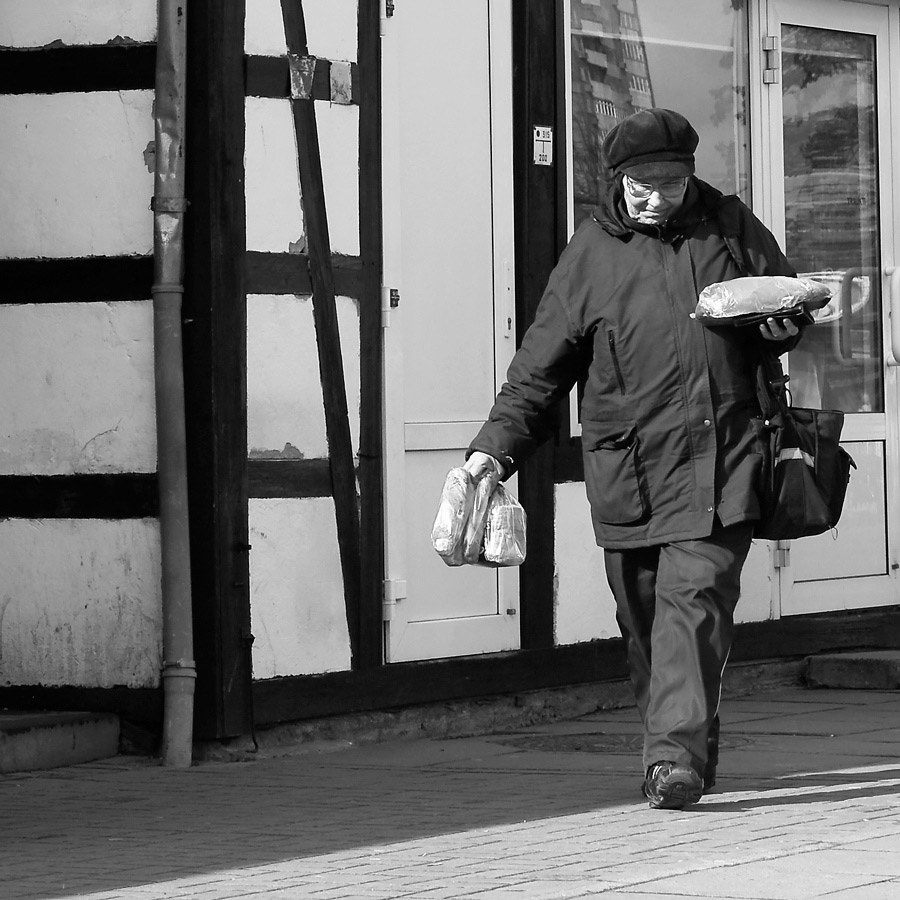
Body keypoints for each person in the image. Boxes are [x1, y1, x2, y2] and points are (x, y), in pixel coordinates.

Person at [464, 108, 803, 810]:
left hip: (724, 457)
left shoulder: (730, 226)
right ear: (617, 179)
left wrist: (782, 329)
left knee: (694, 602)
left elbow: (786, 302)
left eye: (670, 184)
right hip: (631, 470)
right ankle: (681, 752)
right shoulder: (590, 254)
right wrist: (492, 453)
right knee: (647, 623)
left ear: (691, 175)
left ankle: (672, 759)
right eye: (642, 185)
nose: (656, 198)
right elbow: (539, 372)